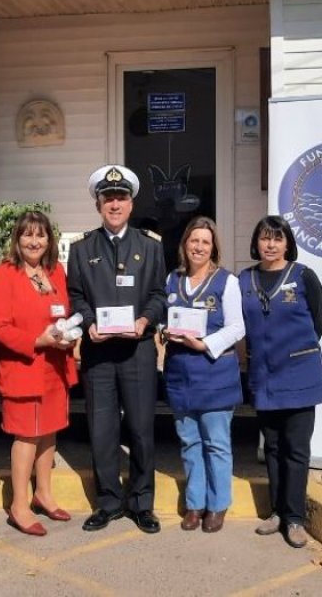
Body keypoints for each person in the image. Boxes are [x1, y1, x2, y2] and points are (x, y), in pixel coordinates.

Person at [67, 164, 167, 534]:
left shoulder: (150, 246)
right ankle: (108, 501)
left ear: (131, 203)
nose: (114, 204)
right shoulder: (81, 249)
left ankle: (142, 503)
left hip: (137, 351)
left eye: (121, 197)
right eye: (108, 198)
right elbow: (75, 296)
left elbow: (159, 294)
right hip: (98, 353)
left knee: (141, 430)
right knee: (102, 430)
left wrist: (145, 321)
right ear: (98, 204)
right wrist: (88, 322)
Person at [0, 211, 78, 536]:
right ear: (17, 239)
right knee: (26, 434)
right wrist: (36, 340)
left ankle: (44, 493)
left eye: (41, 235)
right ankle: (19, 504)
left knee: (49, 430)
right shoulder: (4, 274)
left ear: (49, 241)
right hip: (24, 367)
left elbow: (63, 313)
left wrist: (68, 336)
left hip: (55, 367)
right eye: (28, 235)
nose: (34, 241)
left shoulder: (55, 271)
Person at [239, 215, 322, 549]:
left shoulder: (303, 276)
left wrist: (296, 351)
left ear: (288, 242)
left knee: (296, 450)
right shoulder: (245, 279)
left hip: (299, 375)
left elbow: (319, 321)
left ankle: (295, 519)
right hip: (264, 375)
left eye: (277, 238)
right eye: (264, 238)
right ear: (256, 242)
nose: (270, 244)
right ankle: (276, 512)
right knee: (271, 446)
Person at [163, 216, 245, 533]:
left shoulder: (228, 282)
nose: (198, 247)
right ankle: (195, 504)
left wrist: (204, 343)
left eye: (205, 242)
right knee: (189, 443)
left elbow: (237, 327)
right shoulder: (173, 280)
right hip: (181, 375)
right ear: (185, 244)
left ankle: (218, 505)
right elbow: (164, 318)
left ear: (213, 248)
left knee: (217, 443)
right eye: (193, 240)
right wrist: (163, 331)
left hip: (214, 375)